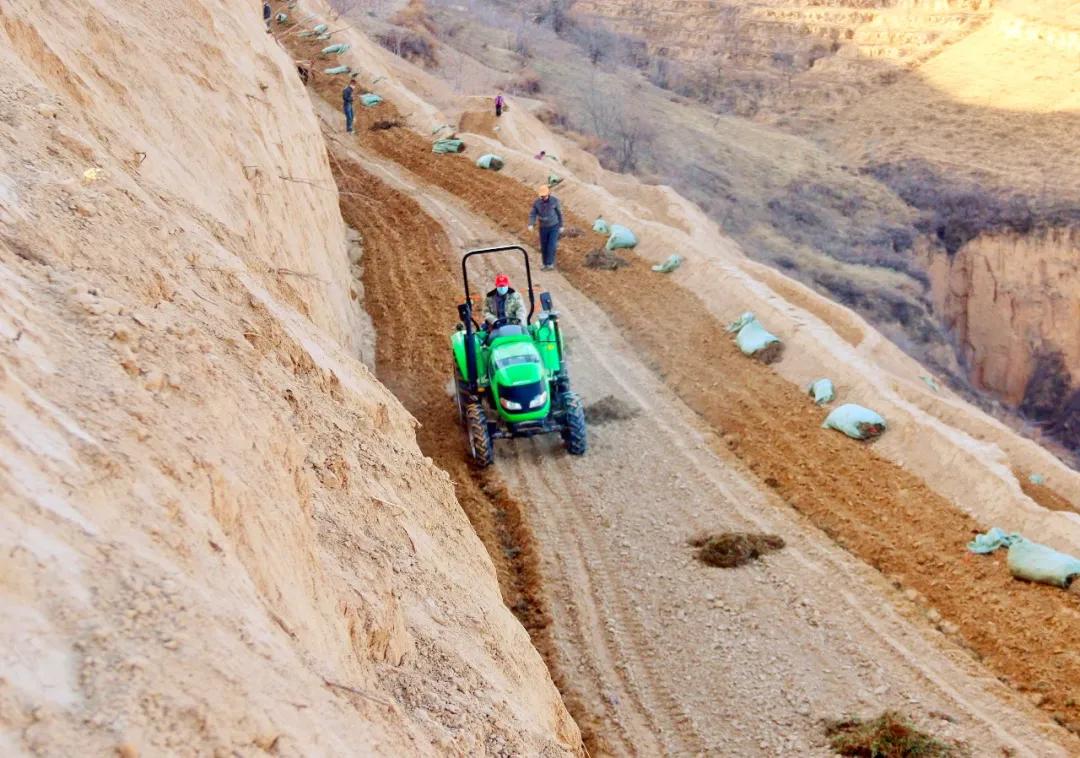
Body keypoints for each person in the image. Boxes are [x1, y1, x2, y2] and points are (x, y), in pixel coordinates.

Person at [528, 185, 563, 271]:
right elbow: (533, 214)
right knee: (544, 246)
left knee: (551, 245)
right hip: (543, 227)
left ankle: (550, 264)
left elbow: (559, 214)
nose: (543, 197)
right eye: (542, 196)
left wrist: (561, 226)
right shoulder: (537, 203)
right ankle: (545, 264)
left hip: (554, 226)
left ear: (548, 193)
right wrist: (531, 224)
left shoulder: (554, 201)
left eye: (545, 196)